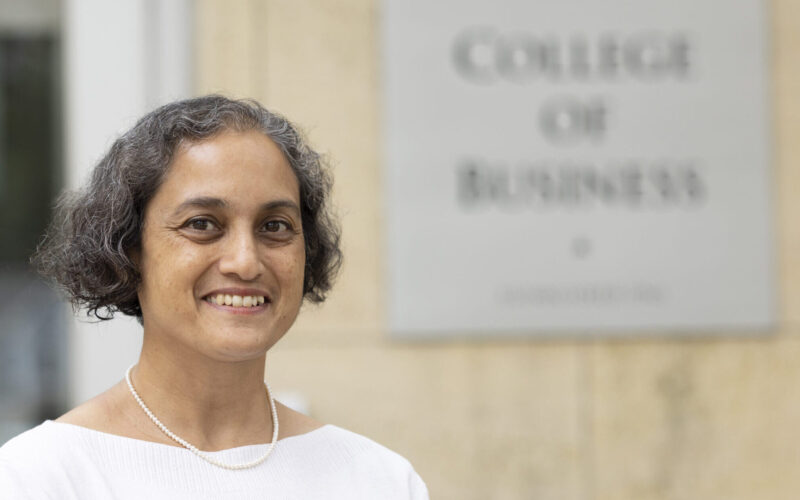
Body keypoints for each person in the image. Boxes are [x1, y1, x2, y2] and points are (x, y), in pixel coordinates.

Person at [0, 95, 428, 499]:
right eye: (202, 224)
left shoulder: (378, 480)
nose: (245, 262)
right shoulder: (41, 478)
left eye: (275, 226)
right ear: (128, 250)